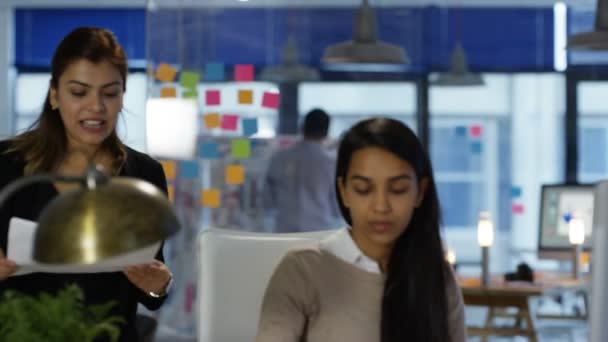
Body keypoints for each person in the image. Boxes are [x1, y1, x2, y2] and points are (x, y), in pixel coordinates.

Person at [0, 27, 172, 341]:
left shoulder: (145, 174)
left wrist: (157, 286)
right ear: (54, 95)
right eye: (79, 92)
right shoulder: (6, 165)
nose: (96, 106)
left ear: (122, 97)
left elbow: (151, 291)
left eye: (109, 93)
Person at [256, 118, 466, 342]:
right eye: (363, 190)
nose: (381, 206)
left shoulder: (436, 277)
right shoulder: (302, 271)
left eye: (398, 189)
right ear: (344, 191)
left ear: (420, 193)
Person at [264, 108, 340, 232]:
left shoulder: (280, 157)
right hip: (318, 230)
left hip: (285, 229)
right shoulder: (331, 163)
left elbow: (267, 199)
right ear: (326, 133)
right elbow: (337, 205)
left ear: (302, 128)